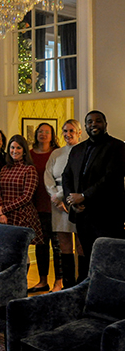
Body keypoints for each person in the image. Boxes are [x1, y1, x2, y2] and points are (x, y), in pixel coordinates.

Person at [63, 110, 125, 273]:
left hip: (108, 215)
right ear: (85, 126)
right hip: (83, 216)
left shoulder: (118, 147)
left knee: (110, 260)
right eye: (90, 122)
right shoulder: (77, 150)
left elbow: (110, 178)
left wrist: (83, 197)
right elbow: (66, 175)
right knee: (90, 258)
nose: (93, 124)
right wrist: (72, 200)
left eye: (98, 121)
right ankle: (91, 292)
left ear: (105, 124)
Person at [44, 119, 84, 288]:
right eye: (65, 131)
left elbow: (79, 178)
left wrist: (62, 195)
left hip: (76, 202)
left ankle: (82, 283)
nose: (68, 134)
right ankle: (68, 285)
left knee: (81, 245)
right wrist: (55, 196)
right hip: (58, 205)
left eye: (71, 131)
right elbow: (48, 176)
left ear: (79, 132)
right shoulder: (56, 154)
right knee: (64, 245)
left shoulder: (84, 151)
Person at [28, 123, 62, 293]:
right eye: (40, 131)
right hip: (36, 205)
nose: (43, 134)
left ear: (52, 135)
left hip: (55, 205)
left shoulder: (58, 153)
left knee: (57, 246)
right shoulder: (30, 154)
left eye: (47, 132)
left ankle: (59, 281)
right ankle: (42, 281)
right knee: (41, 245)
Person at [0, 134, 43, 246]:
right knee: (6, 249)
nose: (14, 151)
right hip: (4, 216)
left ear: (24, 151)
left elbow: (26, 197)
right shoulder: (5, 168)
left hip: (21, 215)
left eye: (18, 148)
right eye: (12, 147)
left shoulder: (29, 169)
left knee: (20, 250)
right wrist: (0, 212)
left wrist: (4, 209)